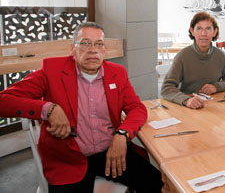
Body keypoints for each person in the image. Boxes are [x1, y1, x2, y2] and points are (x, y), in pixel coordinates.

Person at [0, 22, 162, 192]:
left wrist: (122, 134)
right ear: (72, 48)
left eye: (99, 44)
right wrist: (48, 109)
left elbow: (136, 108)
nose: (93, 50)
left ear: (104, 50)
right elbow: (4, 100)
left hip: (111, 153)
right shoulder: (51, 70)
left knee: (157, 184)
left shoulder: (117, 72)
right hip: (68, 159)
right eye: (85, 43)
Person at [162, 12, 225, 109]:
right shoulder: (182, 56)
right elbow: (167, 88)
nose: (203, 34)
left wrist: (216, 87)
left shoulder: (221, 56)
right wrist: (186, 100)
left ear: (214, 32)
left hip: (213, 106)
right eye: (199, 28)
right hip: (187, 106)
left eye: (208, 28)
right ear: (192, 31)